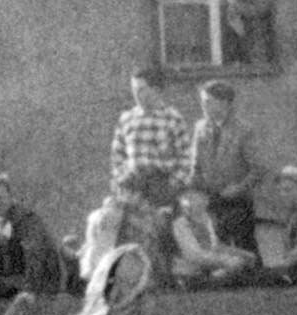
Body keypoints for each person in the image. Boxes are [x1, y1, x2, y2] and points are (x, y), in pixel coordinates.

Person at [187, 79, 261, 253]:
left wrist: (239, 188)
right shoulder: (201, 128)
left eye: (208, 102)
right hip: (211, 202)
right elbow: (195, 166)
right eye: (203, 101)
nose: (203, 106)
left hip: (237, 203)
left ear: (224, 103)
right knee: (217, 250)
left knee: (246, 249)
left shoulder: (243, 130)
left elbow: (258, 169)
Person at [109, 66, 190, 211]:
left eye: (141, 89)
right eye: (134, 89)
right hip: (133, 187)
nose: (136, 94)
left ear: (156, 89)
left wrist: (173, 185)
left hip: (162, 186)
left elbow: (186, 157)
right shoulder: (127, 119)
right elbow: (117, 156)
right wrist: (121, 179)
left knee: (166, 228)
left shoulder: (172, 118)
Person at [0, 175, 62, 298]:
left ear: (10, 197)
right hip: (12, 279)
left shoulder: (27, 221)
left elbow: (35, 257)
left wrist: (30, 290)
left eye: (0, 198)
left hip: (38, 282)